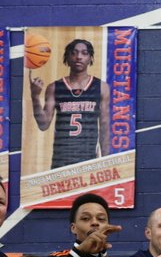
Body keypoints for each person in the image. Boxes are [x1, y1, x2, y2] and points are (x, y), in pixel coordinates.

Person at [30, 39, 110, 169]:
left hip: (88, 159)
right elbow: (43, 124)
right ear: (67, 57)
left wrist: (106, 161)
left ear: (90, 58)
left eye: (84, 53)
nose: (79, 57)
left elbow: (104, 127)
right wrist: (35, 96)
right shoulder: (54, 87)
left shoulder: (101, 87)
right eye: (74, 53)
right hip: (61, 160)